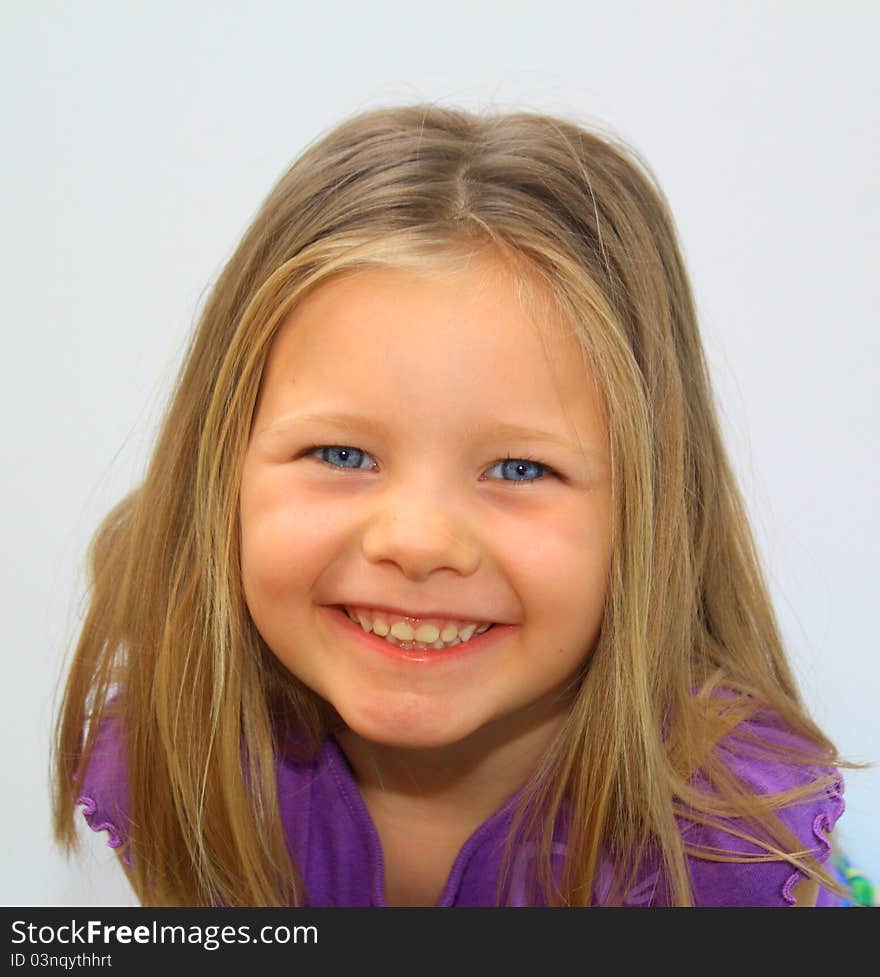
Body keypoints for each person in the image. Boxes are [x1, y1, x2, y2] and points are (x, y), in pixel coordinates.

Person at [53, 104, 851, 907]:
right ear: (218, 470)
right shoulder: (180, 760)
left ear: (652, 516)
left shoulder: (735, 852)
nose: (419, 539)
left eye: (518, 467)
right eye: (340, 454)